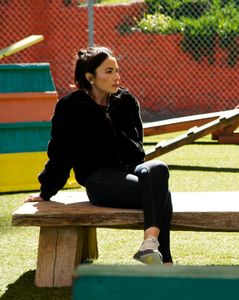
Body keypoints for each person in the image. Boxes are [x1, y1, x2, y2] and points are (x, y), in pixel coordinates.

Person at [25, 46, 172, 265]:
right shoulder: (70, 107)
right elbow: (60, 153)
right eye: (109, 71)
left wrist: (114, 127)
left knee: (158, 168)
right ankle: (165, 262)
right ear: (90, 77)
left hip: (130, 170)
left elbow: (138, 148)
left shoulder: (126, 101)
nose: (117, 77)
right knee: (162, 194)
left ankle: (149, 244)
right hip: (99, 179)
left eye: (117, 70)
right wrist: (47, 190)